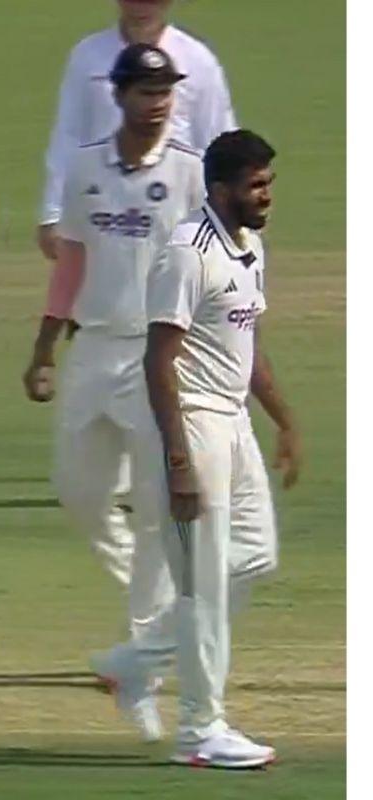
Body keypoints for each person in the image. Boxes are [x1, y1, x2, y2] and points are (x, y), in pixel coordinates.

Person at [22, 45, 205, 740]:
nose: (158, 100)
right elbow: (70, 264)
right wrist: (42, 350)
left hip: (159, 355)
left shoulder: (190, 173)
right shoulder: (88, 168)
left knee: (159, 508)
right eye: (146, 89)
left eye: (166, 90)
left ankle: (140, 669)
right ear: (121, 94)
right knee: (81, 492)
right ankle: (157, 626)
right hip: (93, 348)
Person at [136, 129, 297, 768]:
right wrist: (177, 461)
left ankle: (136, 660)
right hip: (193, 424)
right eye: (255, 185)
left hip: (234, 422)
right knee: (204, 586)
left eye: (268, 184)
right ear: (221, 189)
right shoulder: (187, 253)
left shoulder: (249, 246)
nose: (265, 197)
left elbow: (246, 344)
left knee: (253, 556)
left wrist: (284, 419)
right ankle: (200, 731)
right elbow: (158, 361)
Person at [37, 0, 237, 260]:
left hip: (177, 210)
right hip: (104, 207)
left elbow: (219, 141)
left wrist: (235, 211)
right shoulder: (87, 56)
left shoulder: (198, 60)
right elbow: (69, 137)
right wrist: (53, 213)